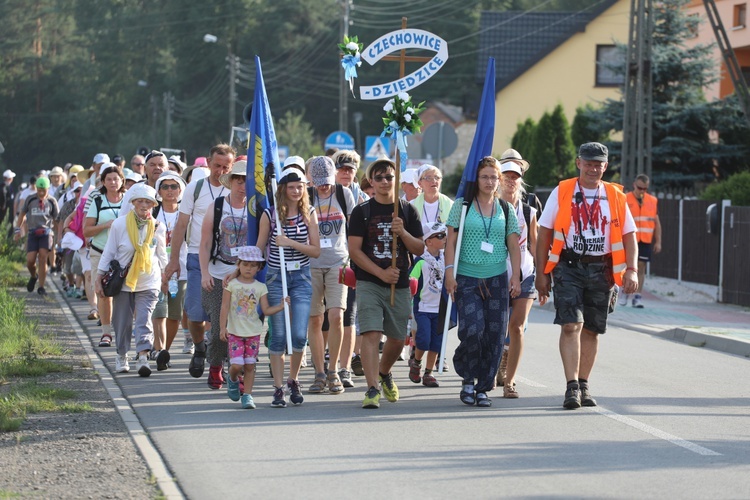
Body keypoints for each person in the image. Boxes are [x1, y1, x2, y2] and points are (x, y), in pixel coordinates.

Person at [535, 142, 639, 410]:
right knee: (571, 324)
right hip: (568, 266)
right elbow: (544, 233)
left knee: (592, 329)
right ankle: (571, 387)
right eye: (588, 162)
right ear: (578, 162)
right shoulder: (563, 191)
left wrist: (632, 269)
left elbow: (630, 235)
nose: (593, 168)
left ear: (605, 166)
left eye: (599, 164)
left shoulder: (615, 196)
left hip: (602, 269)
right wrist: (542, 273)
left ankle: (583, 384)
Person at [444, 156, 521, 408]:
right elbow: (451, 242)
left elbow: (513, 244)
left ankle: (483, 387)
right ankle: (467, 377)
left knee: (495, 334)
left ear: (499, 180)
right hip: (467, 277)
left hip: (497, 278)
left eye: (493, 177)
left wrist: (516, 276)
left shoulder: (506, 209)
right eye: (485, 176)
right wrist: (449, 271)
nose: (489, 181)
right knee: (473, 330)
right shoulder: (462, 206)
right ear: (476, 179)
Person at [348, 157, 424, 409]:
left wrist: (402, 232)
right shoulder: (362, 212)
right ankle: (372, 388)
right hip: (370, 281)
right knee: (371, 333)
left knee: (397, 337)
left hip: (399, 282)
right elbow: (355, 251)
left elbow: (420, 247)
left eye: (388, 177)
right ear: (370, 181)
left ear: (396, 179)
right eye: (378, 177)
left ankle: (384, 372)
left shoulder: (406, 210)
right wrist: (380, 274)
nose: (383, 182)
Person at [164, 144, 234, 380]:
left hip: (228, 259)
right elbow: (181, 225)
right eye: (217, 166)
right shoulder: (195, 188)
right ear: (208, 163)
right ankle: (200, 347)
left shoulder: (235, 190)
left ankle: (219, 356)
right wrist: (174, 260)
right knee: (194, 314)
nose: (220, 171)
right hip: (196, 256)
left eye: (226, 166)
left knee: (222, 315)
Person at [256, 158, 320, 408]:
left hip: (301, 277)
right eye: (292, 186)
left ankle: (294, 380)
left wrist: (290, 243)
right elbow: (260, 248)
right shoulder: (270, 215)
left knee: (298, 335)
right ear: (282, 189)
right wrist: (242, 272)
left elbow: (315, 251)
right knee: (279, 336)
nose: (297, 190)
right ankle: (278, 388)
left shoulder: (310, 213)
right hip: (276, 276)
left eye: (301, 186)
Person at [96, 183, 167, 376]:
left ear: (153, 205)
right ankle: (121, 355)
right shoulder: (120, 224)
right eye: (140, 201)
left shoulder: (158, 226)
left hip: (149, 280)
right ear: (133, 203)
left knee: (144, 320)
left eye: (148, 202)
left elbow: (161, 255)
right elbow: (109, 252)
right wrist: (98, 277)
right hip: (124, 281)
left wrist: (167, 277)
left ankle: (143, 357)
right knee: (123, 322)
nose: (144, 205)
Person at [305, 155, 355, 394]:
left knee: (336, 316)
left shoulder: (344, 195)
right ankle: (319, 372)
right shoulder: (306, 195)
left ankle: (334, 369)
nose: (324, 185)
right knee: (315, 319)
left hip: (338, 262)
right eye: (319, 181)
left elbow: (355, 229)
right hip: (311, 264)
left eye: (327, 180)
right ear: (311, 179)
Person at [199, 160, 249, 389]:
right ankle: (216, 365)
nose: (242, 186)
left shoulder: (256, 207)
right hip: (218, 272)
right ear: (231, 183)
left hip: (245, 276)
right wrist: (204, 273)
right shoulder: (217, 206)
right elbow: (206, 242)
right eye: (238, 180)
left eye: (247, 181)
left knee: (242, 326)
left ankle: (237, 372)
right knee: (220, 325)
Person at [219, 246, 288, 409]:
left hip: (253, 333)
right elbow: (224, 306)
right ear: (239, 265)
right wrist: (223, 327)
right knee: (236, 365)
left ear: (259, 268)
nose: (248, 268)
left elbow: (265, 310)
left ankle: (248, 396)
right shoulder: (231, 284)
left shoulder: (260, 287)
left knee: (250, 365)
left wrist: (280, 306)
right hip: (235, 332)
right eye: (245, 264)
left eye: (252, 265)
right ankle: (233, 379)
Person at [496, 149, 538, 398]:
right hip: (495, 272)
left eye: (515, 177)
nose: (511, 181)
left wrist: (545, 278)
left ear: (520, 180)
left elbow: (535, 246)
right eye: (507, 176)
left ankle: (510, 381)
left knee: (517, 327)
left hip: (525, 273)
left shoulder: (529, 212)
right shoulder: (490, 209)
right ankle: (494, 364)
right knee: (496, 326)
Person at [331, 149, 368, 378]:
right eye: (342, 169)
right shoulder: (325, 194)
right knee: (329, 317)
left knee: (348, 316)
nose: (346, 173)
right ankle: (329, 364)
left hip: (353, 262)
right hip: (327, 261)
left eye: (350, 169)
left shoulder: (362, 199)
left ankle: (344, 368)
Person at [84, 165, 125, 347]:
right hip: (100, 252)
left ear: (122, 180)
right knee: (103, 292)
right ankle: (106, 333)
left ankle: (122, 330)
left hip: (124, 255)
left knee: (124, 294)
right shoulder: (98, 201)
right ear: (103, 182)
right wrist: (106, 225)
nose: (113, 182)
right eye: (109, 179)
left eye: (116, 179)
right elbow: (87, 230)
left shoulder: (129, 201)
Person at [150, 171, 188, 369]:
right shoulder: (152, 213)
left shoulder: (185, 213)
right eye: (165, 186)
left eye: (174, 186)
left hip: (181, 269)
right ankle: (158, 349)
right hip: (154, 269)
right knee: (158, 311)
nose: (170, 190)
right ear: (159, 191)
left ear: (180, 190)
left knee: (174, 314)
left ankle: (165, 351)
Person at [408, 222, 447, 388]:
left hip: (440, 308)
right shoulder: (421, 261)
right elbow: (411, 283)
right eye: (440, 236)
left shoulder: (447, 260)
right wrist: (408, 305)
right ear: (428, 241)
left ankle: (428, 373)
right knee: (423, 340)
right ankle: (416, 362)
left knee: (436, 343)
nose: (444, 238)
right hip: (423, 308)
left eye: (445, 235)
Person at [15, 177, 60, 296]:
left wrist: (59, 234)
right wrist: (17, 230)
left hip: (46, 232)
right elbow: (22, 214)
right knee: (30, 260)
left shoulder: (52, 201)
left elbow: (56, 220)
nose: (40, 192)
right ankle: (33, 276)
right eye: (39, 189)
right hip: (33, 233)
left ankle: (41, 286)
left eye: (43, 190)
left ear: (48, 189)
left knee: (43, 258)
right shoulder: (30, 199)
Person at [622, 174, 661, 308]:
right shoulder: (625, 199)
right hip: (628, 238)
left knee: (641, 266)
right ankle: (625, 291)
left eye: (644, 188)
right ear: (634, 185)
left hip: (645, 239)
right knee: (627, 265)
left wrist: (658, 241)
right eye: (639, 188)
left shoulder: (652, 200)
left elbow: (656, 222)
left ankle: (637, 297)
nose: (642, 191)